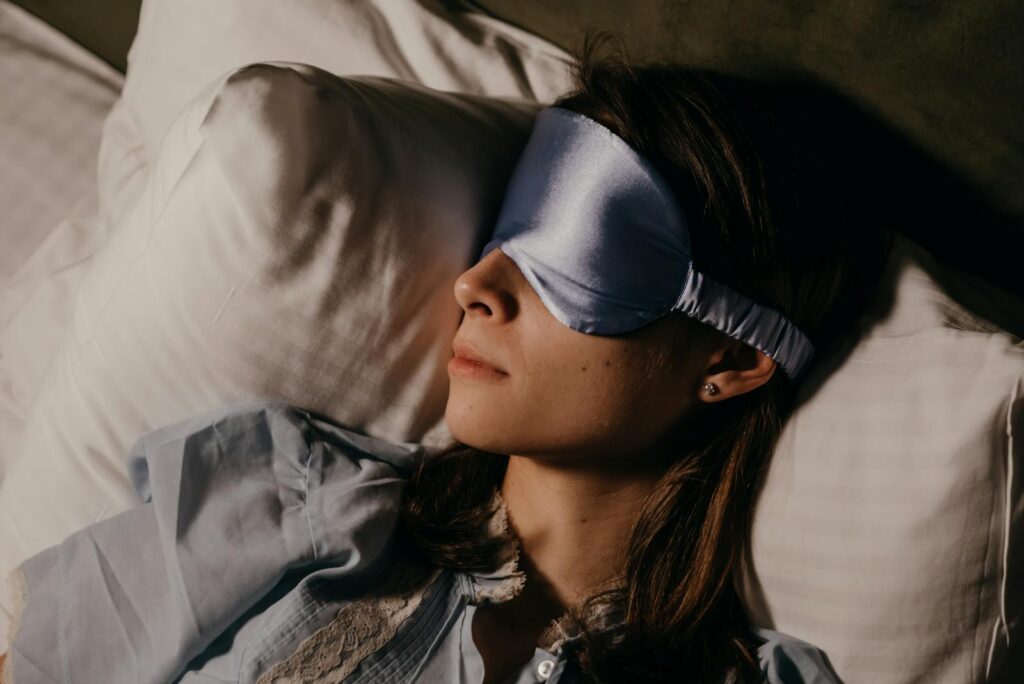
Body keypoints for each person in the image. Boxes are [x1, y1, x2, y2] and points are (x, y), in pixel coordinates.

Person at [1, 37, 888, 684]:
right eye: (506, 236)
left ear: (730, 357)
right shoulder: (286, 504)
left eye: (567, 260)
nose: (477, 285)